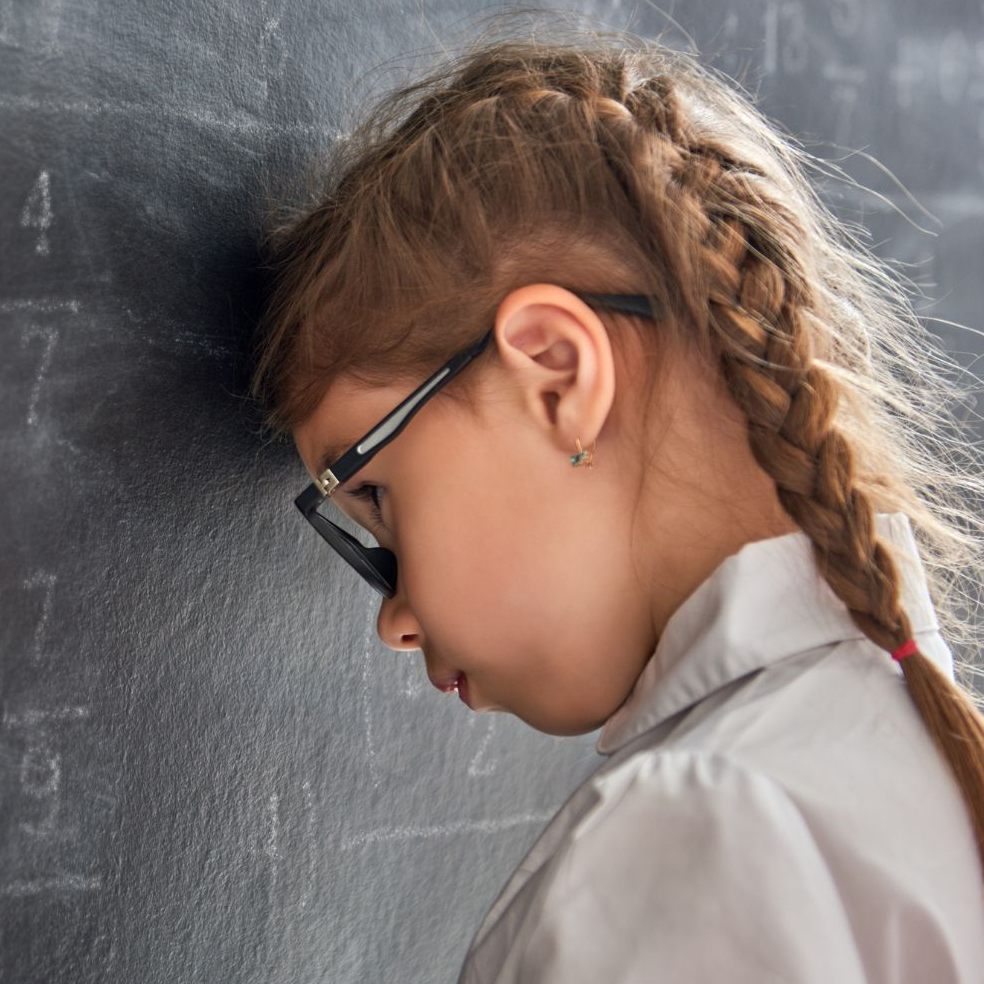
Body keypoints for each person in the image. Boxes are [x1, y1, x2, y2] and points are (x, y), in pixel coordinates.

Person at [248, 15, 984, 982]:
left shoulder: (703, 838)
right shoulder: (907, 765)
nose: (394, 620)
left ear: (556, 376)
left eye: (376, 495)